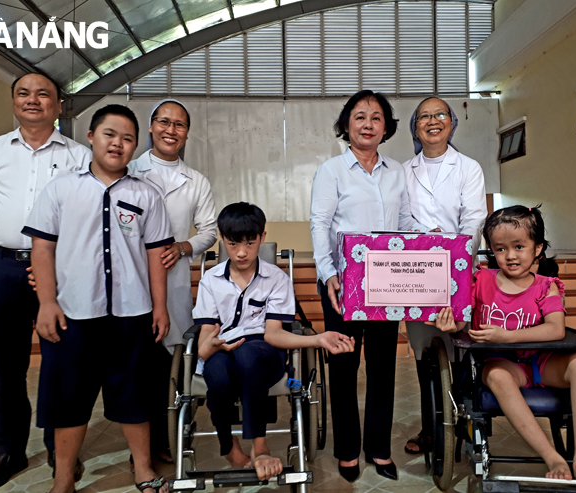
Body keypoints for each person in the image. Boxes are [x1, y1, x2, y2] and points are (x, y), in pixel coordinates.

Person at [22, 104, 174, 493]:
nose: (118, 144)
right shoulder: (62, 189)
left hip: (132, 313)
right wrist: (47, 303)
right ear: (91, 137)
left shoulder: (147, 194)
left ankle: (142, 468)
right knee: (68, 400)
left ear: (135, 145)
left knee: (134, 395)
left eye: (127, 138)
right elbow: (42, 248)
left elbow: (157, 255)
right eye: (110, 134)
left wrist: (159, 306)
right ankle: (62, 479)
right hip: (73, 313)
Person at [0, 73, 90, 493]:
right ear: (13, 101)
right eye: (23, 92)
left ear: (58, 106)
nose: (32, 100)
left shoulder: (77, 155)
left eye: (43, 94)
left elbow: (84, 217)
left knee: (62, 361)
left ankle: (61, 448)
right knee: (8, 367)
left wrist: (59, 265)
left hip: (57, 267)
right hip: (1, 268)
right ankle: (9, 451)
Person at [431, 205, 576, 492]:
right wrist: (452, 325)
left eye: (519, 246)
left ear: (537, 248)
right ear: (491, 250)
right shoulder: (480, 281)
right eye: (500, 249)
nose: (510, 255)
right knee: (498, 376)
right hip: (502, 366)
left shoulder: (546, 286)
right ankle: (552, 457)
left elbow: (556, 329)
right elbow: (463, 323)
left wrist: (505, 336)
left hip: (542, 362)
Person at [193, 202, 355, 481]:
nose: (241, 252)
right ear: (221, 239)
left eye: (250, 243)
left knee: (248, 356)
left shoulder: (276, 279)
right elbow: (204, 345)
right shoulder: (210, 280)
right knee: (216, 373)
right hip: (223, 349)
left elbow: (273, 334)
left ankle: (260, 446)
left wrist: (318, 339)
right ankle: (228, 446)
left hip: (264, 351)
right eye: (232, 244)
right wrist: (211, 346)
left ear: (262, 237)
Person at [310, 90, 423, 482]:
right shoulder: (331, 171)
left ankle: (377, 447)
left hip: (387, 284)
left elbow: (406, 224)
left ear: (386, 127)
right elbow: (320, 224)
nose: (368, 124)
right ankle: (346, 451)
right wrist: (328, 275)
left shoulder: (397, 172)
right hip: (344, 283)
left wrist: (429, 245)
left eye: (376, 117)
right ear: (346, 125)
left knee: (382, 368)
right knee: (343, 366)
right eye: (360, 117)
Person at [129, 99, 216, 461]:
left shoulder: (196, 181)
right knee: (136, 362)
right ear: (150, 127)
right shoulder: (128, 171)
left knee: (170, 363)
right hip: (131, 278)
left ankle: (167, 439)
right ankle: (140, 445)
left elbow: (209, 230)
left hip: (174, 278)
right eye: (163, 122)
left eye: (179, 125)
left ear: (186, 133)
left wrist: (183, 246)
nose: (170, 130)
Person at [402, 96, 487, 455]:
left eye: (440, 114)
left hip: (458, 270)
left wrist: (453, 253)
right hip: (417, 272)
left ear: (452, 123)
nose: (432, 121)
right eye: (424, 116)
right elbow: (401, 218)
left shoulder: (469, 168)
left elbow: (474, 219)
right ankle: (431, 429)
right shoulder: (403, 171)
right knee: (425, 353)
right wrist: (428, 241)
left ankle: (466, 426)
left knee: (461, 351)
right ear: (415, 127)